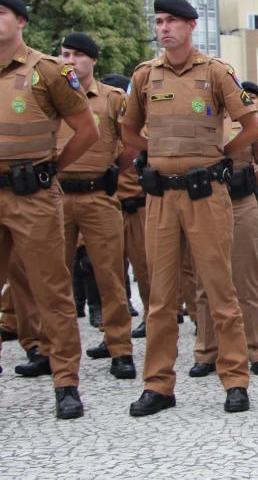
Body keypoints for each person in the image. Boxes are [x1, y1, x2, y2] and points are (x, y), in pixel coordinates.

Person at [120, 0, 258, 416]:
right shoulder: (145, 76)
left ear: (191, 26)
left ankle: (235, 379)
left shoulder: (216, 72)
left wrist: (220, 157)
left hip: (206, 195)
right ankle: (158, 385)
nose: (164, 28)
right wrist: (156, 153)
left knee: (220, 290)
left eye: (172, 22)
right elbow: (127, 132)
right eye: (160, 21)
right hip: (161, 196)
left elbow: (252, 126)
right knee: (161, 298)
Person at [0, 0, 98, 418]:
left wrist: (53, 168)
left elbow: (86, 130)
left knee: (51, 289)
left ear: (21, 21)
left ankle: (65, 382)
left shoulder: (49, 71)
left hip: (31, 194)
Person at [58, 33, 136, 379]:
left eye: (77, 55)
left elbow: (131, 142)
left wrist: (112, 168)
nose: (69, 60)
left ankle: (119, 348)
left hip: (99, 195)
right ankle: (53, 351)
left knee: (110, 275)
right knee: (54, 278)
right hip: (56, 195)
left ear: (92, 60)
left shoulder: (112, 98)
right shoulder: (49, 95)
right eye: (64, 54)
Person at [193, 107, 258, 376]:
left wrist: (247, 185)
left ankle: (257, 350)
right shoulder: (196, 115)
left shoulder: (250, 122)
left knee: (246, 277)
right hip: (204, 203)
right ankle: (207, 351)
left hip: (240, 202)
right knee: (205, 281)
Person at [101, 73, 152, 339]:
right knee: (110, 272)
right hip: (110, 204)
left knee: (144, 268)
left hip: (137, 205)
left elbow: (131, 151)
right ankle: (111, 332)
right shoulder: (105, 127)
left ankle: (151, 318)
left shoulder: (137, 127)